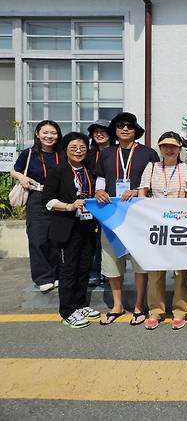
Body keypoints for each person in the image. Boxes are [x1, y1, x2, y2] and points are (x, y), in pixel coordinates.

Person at [94, 112, 159, 326]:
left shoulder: (148, 153)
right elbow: (101, 179)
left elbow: (154, 183)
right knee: (113, 261)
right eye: (120, 126)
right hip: (111, 215)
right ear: (115, 130)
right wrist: (98, 192)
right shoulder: (106, 153)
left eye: (129, 126)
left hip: (138, 216)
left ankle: (140, 305)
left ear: (135, 130)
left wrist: (137, 190)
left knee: (140, 262)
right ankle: (117, 305)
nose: (124, 129)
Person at [138, 132, 187, 330]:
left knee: (181, 271)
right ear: (160, 148)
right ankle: (155, 310)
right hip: (155, 224)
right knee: (155, 270)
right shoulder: (152, 167)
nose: (169, 150)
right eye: (164, 146)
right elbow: (142, 193)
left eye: (173, 146)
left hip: (179, 225)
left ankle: (180, 310)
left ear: (180, 148)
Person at [42, 131, 101, 328]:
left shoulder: (90, 170)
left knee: (84, 267)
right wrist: (69, 206)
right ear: (65, 150)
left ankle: (81, 304)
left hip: (88, 225)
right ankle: (67, 310)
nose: (78, 151)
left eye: (82, 147)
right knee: (68, 269)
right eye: (73, 147)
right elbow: (48, 201)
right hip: (67, 226)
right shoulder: (57, 171)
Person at [10, 120, 62, 292]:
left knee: (55, 238)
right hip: (36, 197)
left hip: (58, 198)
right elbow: (14, 170)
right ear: (38, 134)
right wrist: (21, 177)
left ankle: (56, 274)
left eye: (53, 133)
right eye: (45, 132)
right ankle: (43, 277)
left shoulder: (62, 153)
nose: (49, 136)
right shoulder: (29, 153)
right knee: (37, 238)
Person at [86, 119, 112, 287]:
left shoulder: (116, 152)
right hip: (90, 202)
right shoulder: (88, 154)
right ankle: (94, 272)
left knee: (111, 239)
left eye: (103, 130)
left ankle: (110, 274)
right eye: (96, 131)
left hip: (111, 202)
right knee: (92, 239)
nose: (99, 133)